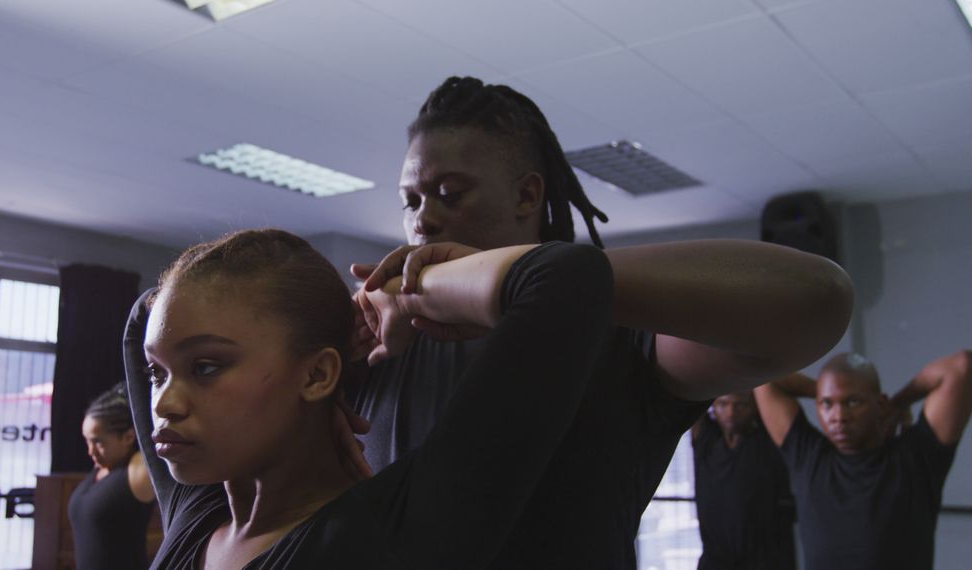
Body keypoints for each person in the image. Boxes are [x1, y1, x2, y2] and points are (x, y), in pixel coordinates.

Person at [343, 75, 854, 568]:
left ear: (527, 196)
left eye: (450, 193)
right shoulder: (381, 342)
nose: (421, 219)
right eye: (410, 201)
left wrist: (529, 282)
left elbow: (819, 299)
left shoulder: (614, 334)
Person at [124, 228, 618, 568]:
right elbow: (138, 321)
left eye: (205, 367)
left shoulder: (395, 533)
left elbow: (567, 277)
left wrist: (404, 294)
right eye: (157, 372)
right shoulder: (200, 514)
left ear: (318, 374)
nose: (165, 403)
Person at [753, 350, 972, 570]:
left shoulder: (915, 457)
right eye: (827, 404)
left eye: (853, 401)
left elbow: (961, 366)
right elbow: (763, 380)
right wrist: (826, 388)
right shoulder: (807, 455)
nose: (839, 417)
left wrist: (899, 402)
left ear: (880, 404)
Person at [690, 392, 795, 570]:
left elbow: (772, 388)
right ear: (713, 407)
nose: (731, 413)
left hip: (763, 562)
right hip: (715, 562)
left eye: (740, 406)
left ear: (754, 407)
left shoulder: (767, 440)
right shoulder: (705, 441)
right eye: (723, 404)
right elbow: (693, 385)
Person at [68, 383, 156, 570]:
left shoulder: (137, 470)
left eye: (98, 442)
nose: (90, 451)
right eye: (87, 440)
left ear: (129, 437)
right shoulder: (101, 468)